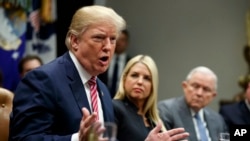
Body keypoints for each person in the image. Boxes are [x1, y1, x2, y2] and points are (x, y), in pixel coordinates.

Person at [9, 5, 126, 141]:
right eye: (99, 38)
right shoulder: (42, 80)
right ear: (75, 41)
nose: (108, 47)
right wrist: (77, 139)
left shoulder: (103, 90)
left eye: (112, 39)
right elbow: (24, 138)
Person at [113, 55, 189, 141]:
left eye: (147, 78)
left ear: (153, 85)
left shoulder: (158, 119)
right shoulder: (114, 108)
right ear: (124, 79)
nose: (140, 82)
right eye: (134, 75)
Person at [158, 66, 228, 141]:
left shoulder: (218, 120)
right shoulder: (166, 111)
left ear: (213, 95)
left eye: (206, 89)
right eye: (195, 86)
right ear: (185, 86)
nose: (199, 93)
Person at [98, 29, 131, 97]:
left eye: (122, 40)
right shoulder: (102, 58)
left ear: (127, 43)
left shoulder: (130, 62)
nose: (119, 43)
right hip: (102, 96)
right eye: (117, 39)